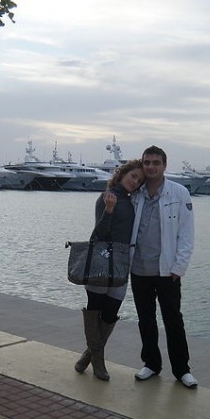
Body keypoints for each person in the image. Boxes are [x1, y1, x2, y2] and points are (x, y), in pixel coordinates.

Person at [129, 145, 198, 388]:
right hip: (139, 269)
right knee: (145, 319)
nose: (151, 167)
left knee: (173, 320)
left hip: (168, 271)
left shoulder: (179, 193)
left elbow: (186, 234)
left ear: (164, 165)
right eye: (147, 162)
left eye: (156, 163)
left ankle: (182, 370)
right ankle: (151, 364)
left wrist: (179, 267)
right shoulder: (135, 193)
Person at [74, 160, 144, 381]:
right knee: (95, 310)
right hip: (101, 260)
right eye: (133, 176)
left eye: (140, 180)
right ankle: (99, 362)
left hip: (122, 262)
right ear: (122, 174)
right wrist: (110, 210)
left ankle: (89, 354)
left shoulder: (134, 201)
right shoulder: (106, 197)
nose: (136, 182)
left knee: (111, 312)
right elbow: (99, 234)